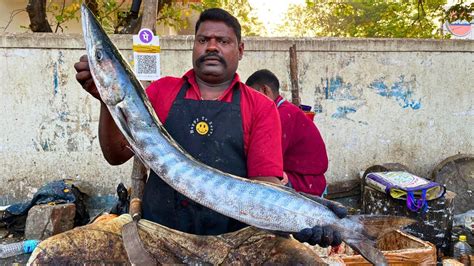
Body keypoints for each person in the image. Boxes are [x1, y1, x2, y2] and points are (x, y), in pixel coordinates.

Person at [29, 8, 344, 265]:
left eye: (223, 40)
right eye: (203, 39)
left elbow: (264, 188)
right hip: (156, 233)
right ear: (193, 45)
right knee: (51, 255)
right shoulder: (161, 91)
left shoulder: (259, 106)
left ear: (240, 49)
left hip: (237, 241)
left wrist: (303, 214)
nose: (211, 46)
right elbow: (115, 154)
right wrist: (104, 101)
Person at [246, 69, 328, 196]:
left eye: (253, 96)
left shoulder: (282, 115)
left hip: (306, 182)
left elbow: (265, 159)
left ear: (265, 90)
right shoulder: (283, 110)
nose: (250, 102)